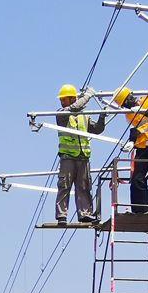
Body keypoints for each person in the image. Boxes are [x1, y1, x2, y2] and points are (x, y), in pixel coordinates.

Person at [53, 84, 106, 225]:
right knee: (64, 186)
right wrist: (87, 96)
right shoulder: (62, 114)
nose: (61, 102)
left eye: (64, 99)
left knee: (84, 186)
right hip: (68, 156)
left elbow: (96, 129)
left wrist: (102, 117)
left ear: (72, 98)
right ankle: (62, 216)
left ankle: (85, 214)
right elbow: (73, 109)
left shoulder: (84, 116)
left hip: (83, 157)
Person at [113, 88, 148, 217]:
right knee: (137, 178)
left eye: (126, 102)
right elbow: (135, 129)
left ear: (130, 97)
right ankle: (141, 210)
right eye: (124, 105)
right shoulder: (129, 114)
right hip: (142, 148)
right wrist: (132, 141)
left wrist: (140, 110)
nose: (126, 106)